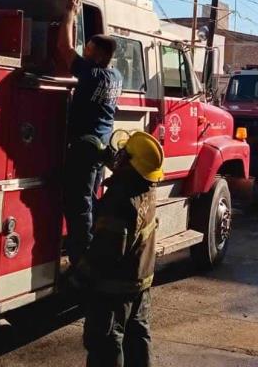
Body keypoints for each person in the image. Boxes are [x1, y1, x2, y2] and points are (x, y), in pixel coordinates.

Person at [73, 131, 163, 367]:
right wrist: (105, 156)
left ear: (131, 164)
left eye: (124, 154)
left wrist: (78, 276)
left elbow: (106, 252)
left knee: (106, 344)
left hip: (114, 291)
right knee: (138, 340)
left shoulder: (120, 200)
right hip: (140, 284)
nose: (119, 155)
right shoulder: (147, 188)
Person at [57, 0, 123, 264]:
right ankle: (93, 246)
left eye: (90, 48)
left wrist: (69, 14)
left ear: (98, 55)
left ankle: (82, 259)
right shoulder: (115, 76)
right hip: (99, 148)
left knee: (80, 203)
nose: (85, 50)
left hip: (85, 149)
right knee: (91, 200)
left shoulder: (92, 74)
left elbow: (64, 48)